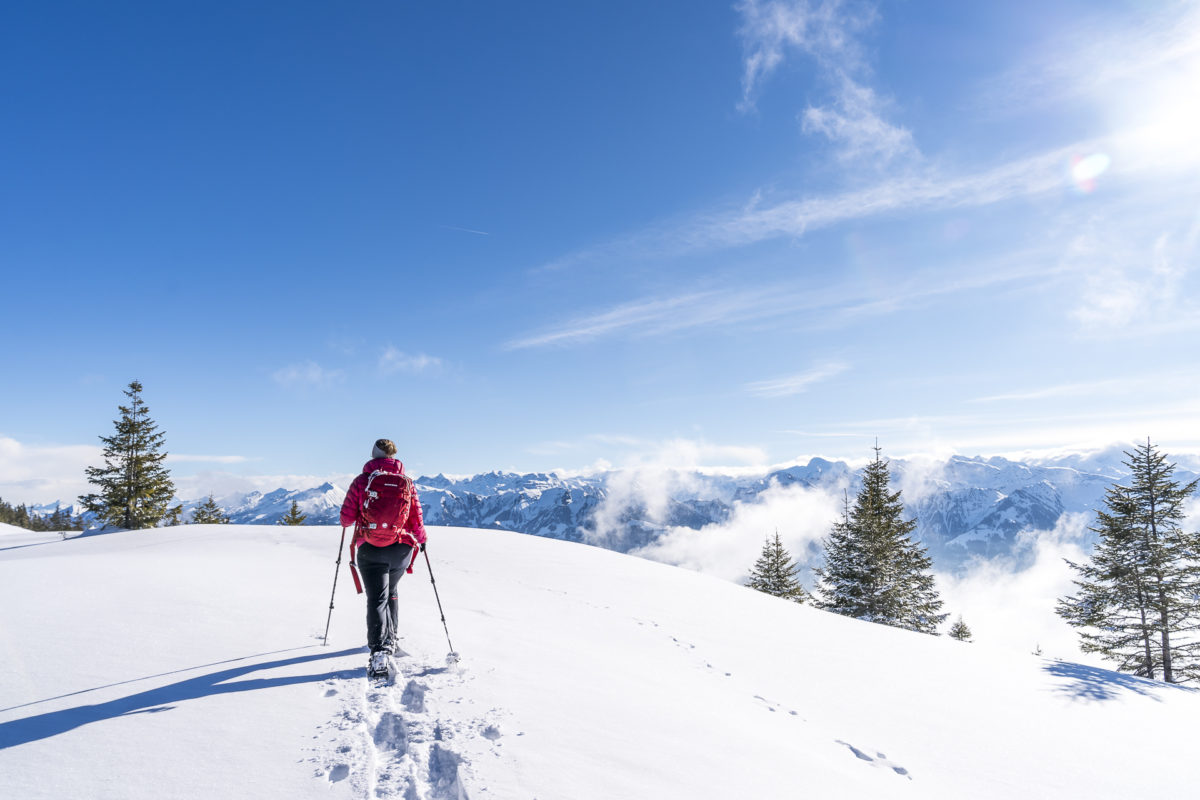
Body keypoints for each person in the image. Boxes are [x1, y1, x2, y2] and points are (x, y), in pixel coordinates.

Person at [340, 438, 427, 675]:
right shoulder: (407, 482)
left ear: (372, 455)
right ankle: (392, 639)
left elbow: (346, 519)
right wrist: (422, 539)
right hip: (401, 550)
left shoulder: (362, 481)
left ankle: (379, 651)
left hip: (370, 548)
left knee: (377, 598)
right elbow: (416, 518)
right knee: (392, 592)